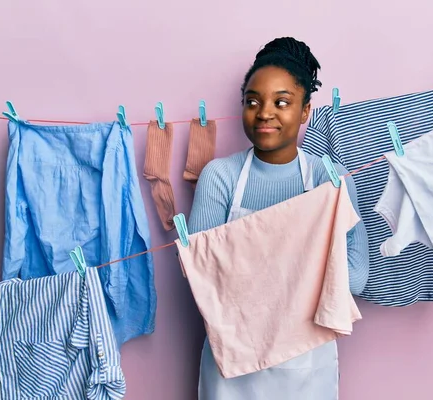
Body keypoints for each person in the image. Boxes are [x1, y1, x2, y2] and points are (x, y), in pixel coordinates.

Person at [187, 37, 370, 400]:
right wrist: (304, 271)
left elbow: (358, 277)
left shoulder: (328, 178)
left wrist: (256, 277)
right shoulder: (219, 177)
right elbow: (202, 278)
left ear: (305, 111)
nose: (264, 112)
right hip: (232, 366)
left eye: (281, 102)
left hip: (305, 366)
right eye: (252, 102)